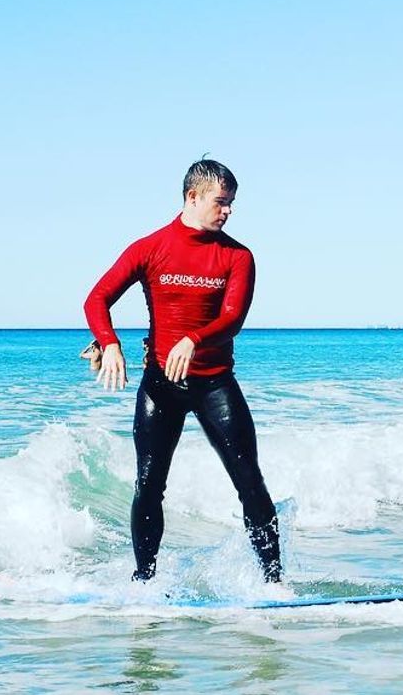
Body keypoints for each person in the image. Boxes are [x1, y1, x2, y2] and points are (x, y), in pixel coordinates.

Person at [84, 159, 281, 583]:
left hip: (215, 384)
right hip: (161, 387)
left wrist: (194, 339)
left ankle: (274, 582)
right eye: (221, 202)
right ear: (193, 197)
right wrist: (110, 343)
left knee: (251, 482)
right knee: (149, 486)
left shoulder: (237, 256)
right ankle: (145, 583)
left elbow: (233, 318)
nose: (227, 211)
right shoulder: (149, 248)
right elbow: (97, 299)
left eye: (231, 204)